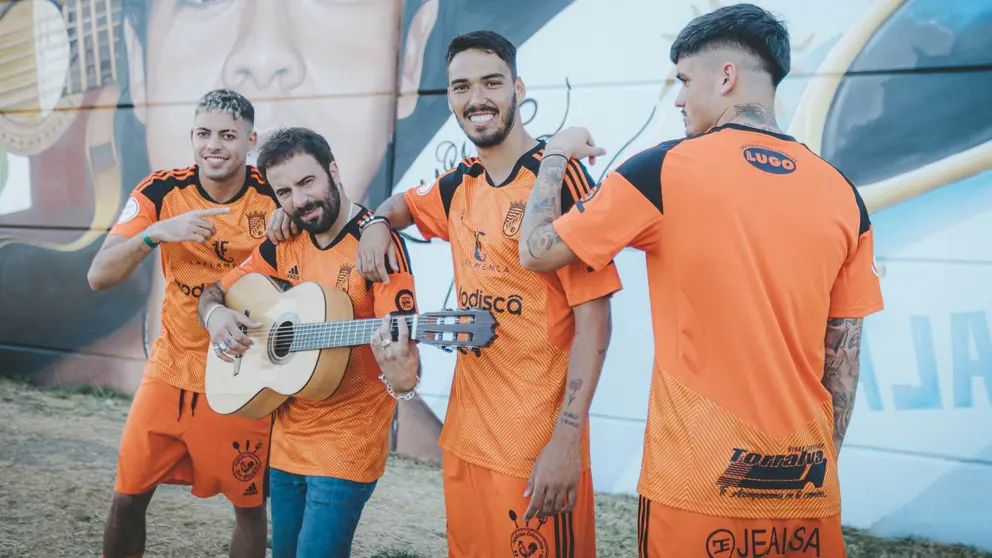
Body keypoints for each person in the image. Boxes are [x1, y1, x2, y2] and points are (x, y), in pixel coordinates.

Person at [517, 4, 884, 558]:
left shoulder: (663, 170)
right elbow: (844, 361)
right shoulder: (843, 194)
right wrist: (816, 472)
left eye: (685, 81)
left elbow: (536, 249)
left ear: (727, 76)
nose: (680, 99)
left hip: (694, 490)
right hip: (807, 494)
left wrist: (555, 155)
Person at [197, 127, 420, 558]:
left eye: (306, 182)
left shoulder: (375, 245)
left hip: (347, 447)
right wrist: (215, 315)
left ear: (333, 171)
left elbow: (402, 341)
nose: (299, 201)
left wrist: (404, 376)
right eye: (284, 192)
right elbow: (215, 292)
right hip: (286, 442)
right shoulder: (284, 241)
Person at [86, 89, 275, 558]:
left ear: (250, 141)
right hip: (170, 369)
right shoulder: (162, 191)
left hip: (242, 374)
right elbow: (98, 275)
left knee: (250, 509)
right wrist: (155, 234)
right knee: (126, 498)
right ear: (192, 136)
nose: (214, 145)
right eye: (205, 133)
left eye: (228, 136)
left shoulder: (274, 197)